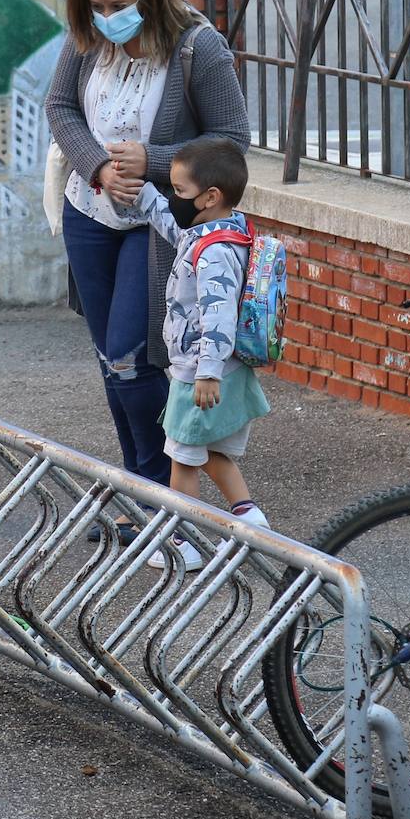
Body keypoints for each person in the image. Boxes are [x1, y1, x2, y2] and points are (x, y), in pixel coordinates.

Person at [45, 0, 251, 543]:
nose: (108, 19)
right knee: (113, 361)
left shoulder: (196, 48)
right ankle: (144, 493)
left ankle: (166, 502)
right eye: (96, 9)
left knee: (135, 359)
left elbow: (232, 139)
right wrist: (99, 168)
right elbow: (60, 107)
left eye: (118, 5)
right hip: (89, 211)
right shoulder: (88, 39)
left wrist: (154, 160)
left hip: (158, 225)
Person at [133, 138, 270, 569]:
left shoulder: (213, 254)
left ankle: (183, 541)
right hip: (217, 370)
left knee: (182, 457)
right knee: (211, 451)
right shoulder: (223, 233)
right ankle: (250, 518)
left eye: (179, 191)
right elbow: (176, 231)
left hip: (201, 373)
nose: (174, 199)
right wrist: (141, 193)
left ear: (210, 198)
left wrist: (206, 372)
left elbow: (219, 317)